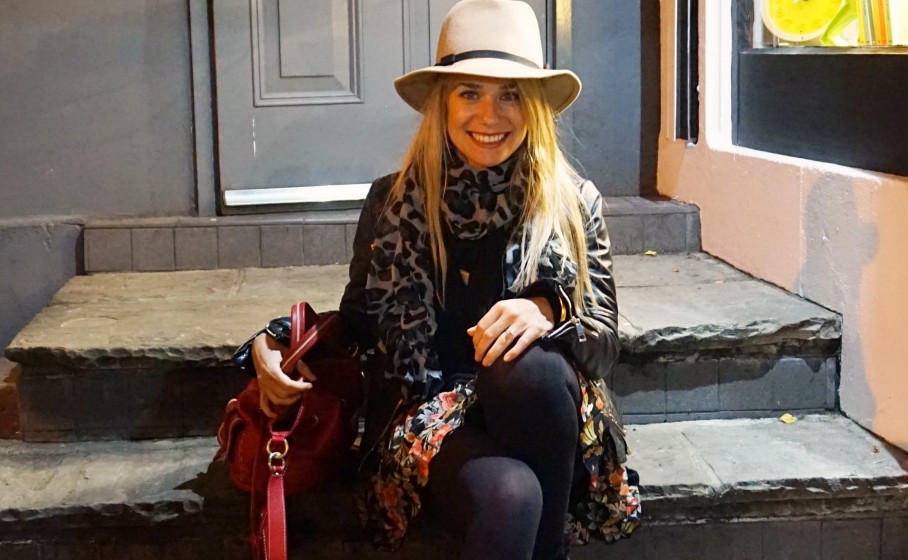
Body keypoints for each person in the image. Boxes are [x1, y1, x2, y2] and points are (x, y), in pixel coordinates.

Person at [248, 1, 639, 558]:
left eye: (510, 95)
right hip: (427, 415)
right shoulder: (394, 201)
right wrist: (276, 343)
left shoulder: (572, 202)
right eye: (469, 93)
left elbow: (603, 342)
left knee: (524, 367)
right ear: (442, 102)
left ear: (533, 107)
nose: (490, 115)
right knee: (511, 496)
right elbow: (359, 321)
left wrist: (549, 311)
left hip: (540, 415)